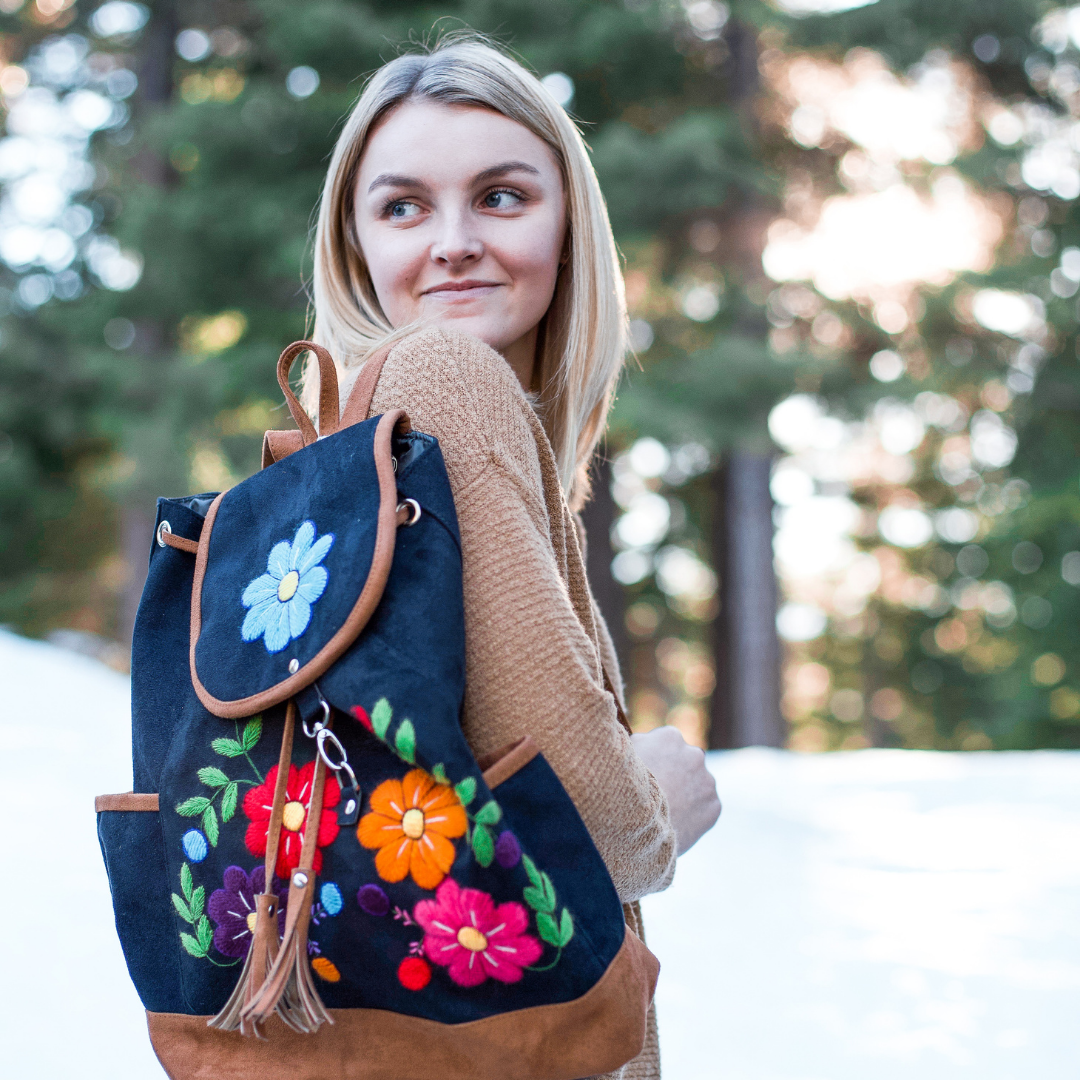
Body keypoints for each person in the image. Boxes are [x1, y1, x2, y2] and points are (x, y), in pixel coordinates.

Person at [303, 34, 722, 1079]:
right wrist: (658, 803)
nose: (451, 242)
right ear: (356, 249)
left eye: (500, 197)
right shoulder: (444, 376)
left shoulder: (368, 449)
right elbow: (585, 814)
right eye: (402, 207)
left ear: (570, 224)